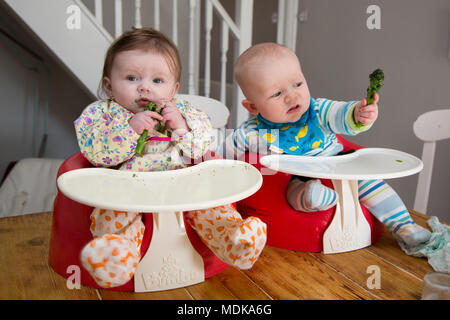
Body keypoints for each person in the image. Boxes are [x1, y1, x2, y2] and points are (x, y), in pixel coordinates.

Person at [74, 28, 266, 288]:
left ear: (173, 88)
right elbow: (96, 154)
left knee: (212, 206)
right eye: (131, 77)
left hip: (183, 183)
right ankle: (116, 256)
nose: (144, 87)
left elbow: (201, 149)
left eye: (157, 81)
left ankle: (236, 241)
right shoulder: (102, 114)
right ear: (109, 85)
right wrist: (130, 130)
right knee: (112, 213)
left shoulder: (184, 111)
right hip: (126, 188)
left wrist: (182, 128)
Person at [225, 42, 431, 248]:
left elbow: (340, 114)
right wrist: (205, 151)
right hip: (297, 177)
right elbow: (228, 148)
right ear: (253, 106)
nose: (292, 96)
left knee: (371, 183)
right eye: (277, 94)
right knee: (293, 194)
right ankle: (315, 197)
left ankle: (406, 227)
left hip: (339, 164)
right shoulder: (253, 132)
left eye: (297, 84)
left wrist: (358, 114)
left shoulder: (318, 110)